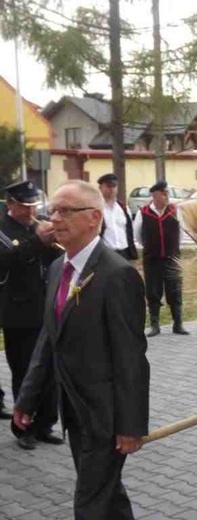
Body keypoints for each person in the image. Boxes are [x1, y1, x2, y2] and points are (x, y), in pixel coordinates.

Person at [13, 180, 150, 519]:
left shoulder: (117, 274)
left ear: (93, 218)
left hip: (106, 417)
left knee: (90, 503)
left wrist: (131, 425)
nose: (54, 218)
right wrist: (27, 400)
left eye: (65, 211)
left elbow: (131, 357)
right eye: (52, 210)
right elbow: (49, 340)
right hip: (74, 411)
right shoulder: (60, 267)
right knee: (108, 497)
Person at [0, 180, 62, 450]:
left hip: (45, 308)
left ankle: (45, 424)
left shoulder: (39, 224)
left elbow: (52, 261)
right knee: (25, 371)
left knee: (49, 370)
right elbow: (7, 260)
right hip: (17, 313)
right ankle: (23, 428)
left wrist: (55, 240)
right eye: (25, 206)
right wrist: (38, 242)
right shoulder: (2, 229)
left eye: (33, 205)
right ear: (10, 204)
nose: (31, 211)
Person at [134, 180, 188, 336]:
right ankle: (155, 325)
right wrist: (151, 247)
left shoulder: (174, 211)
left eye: (167, 193)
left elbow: (181, 232)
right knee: (153, 290)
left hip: (172, 258)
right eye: (163, 193)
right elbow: (138, 236)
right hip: (152, 259)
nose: (167, 196)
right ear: (154, 195)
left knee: (175, 289)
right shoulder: (143, 212)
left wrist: (173, 250)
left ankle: (178, 324)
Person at [97, 173, 138, 260]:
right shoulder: (96, 208)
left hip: (124, 253)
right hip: (105, 253)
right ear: (100, 188)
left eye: (114, 186)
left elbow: (129, 230)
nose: (111, 189)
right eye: (108, 186)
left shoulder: (123, 208)